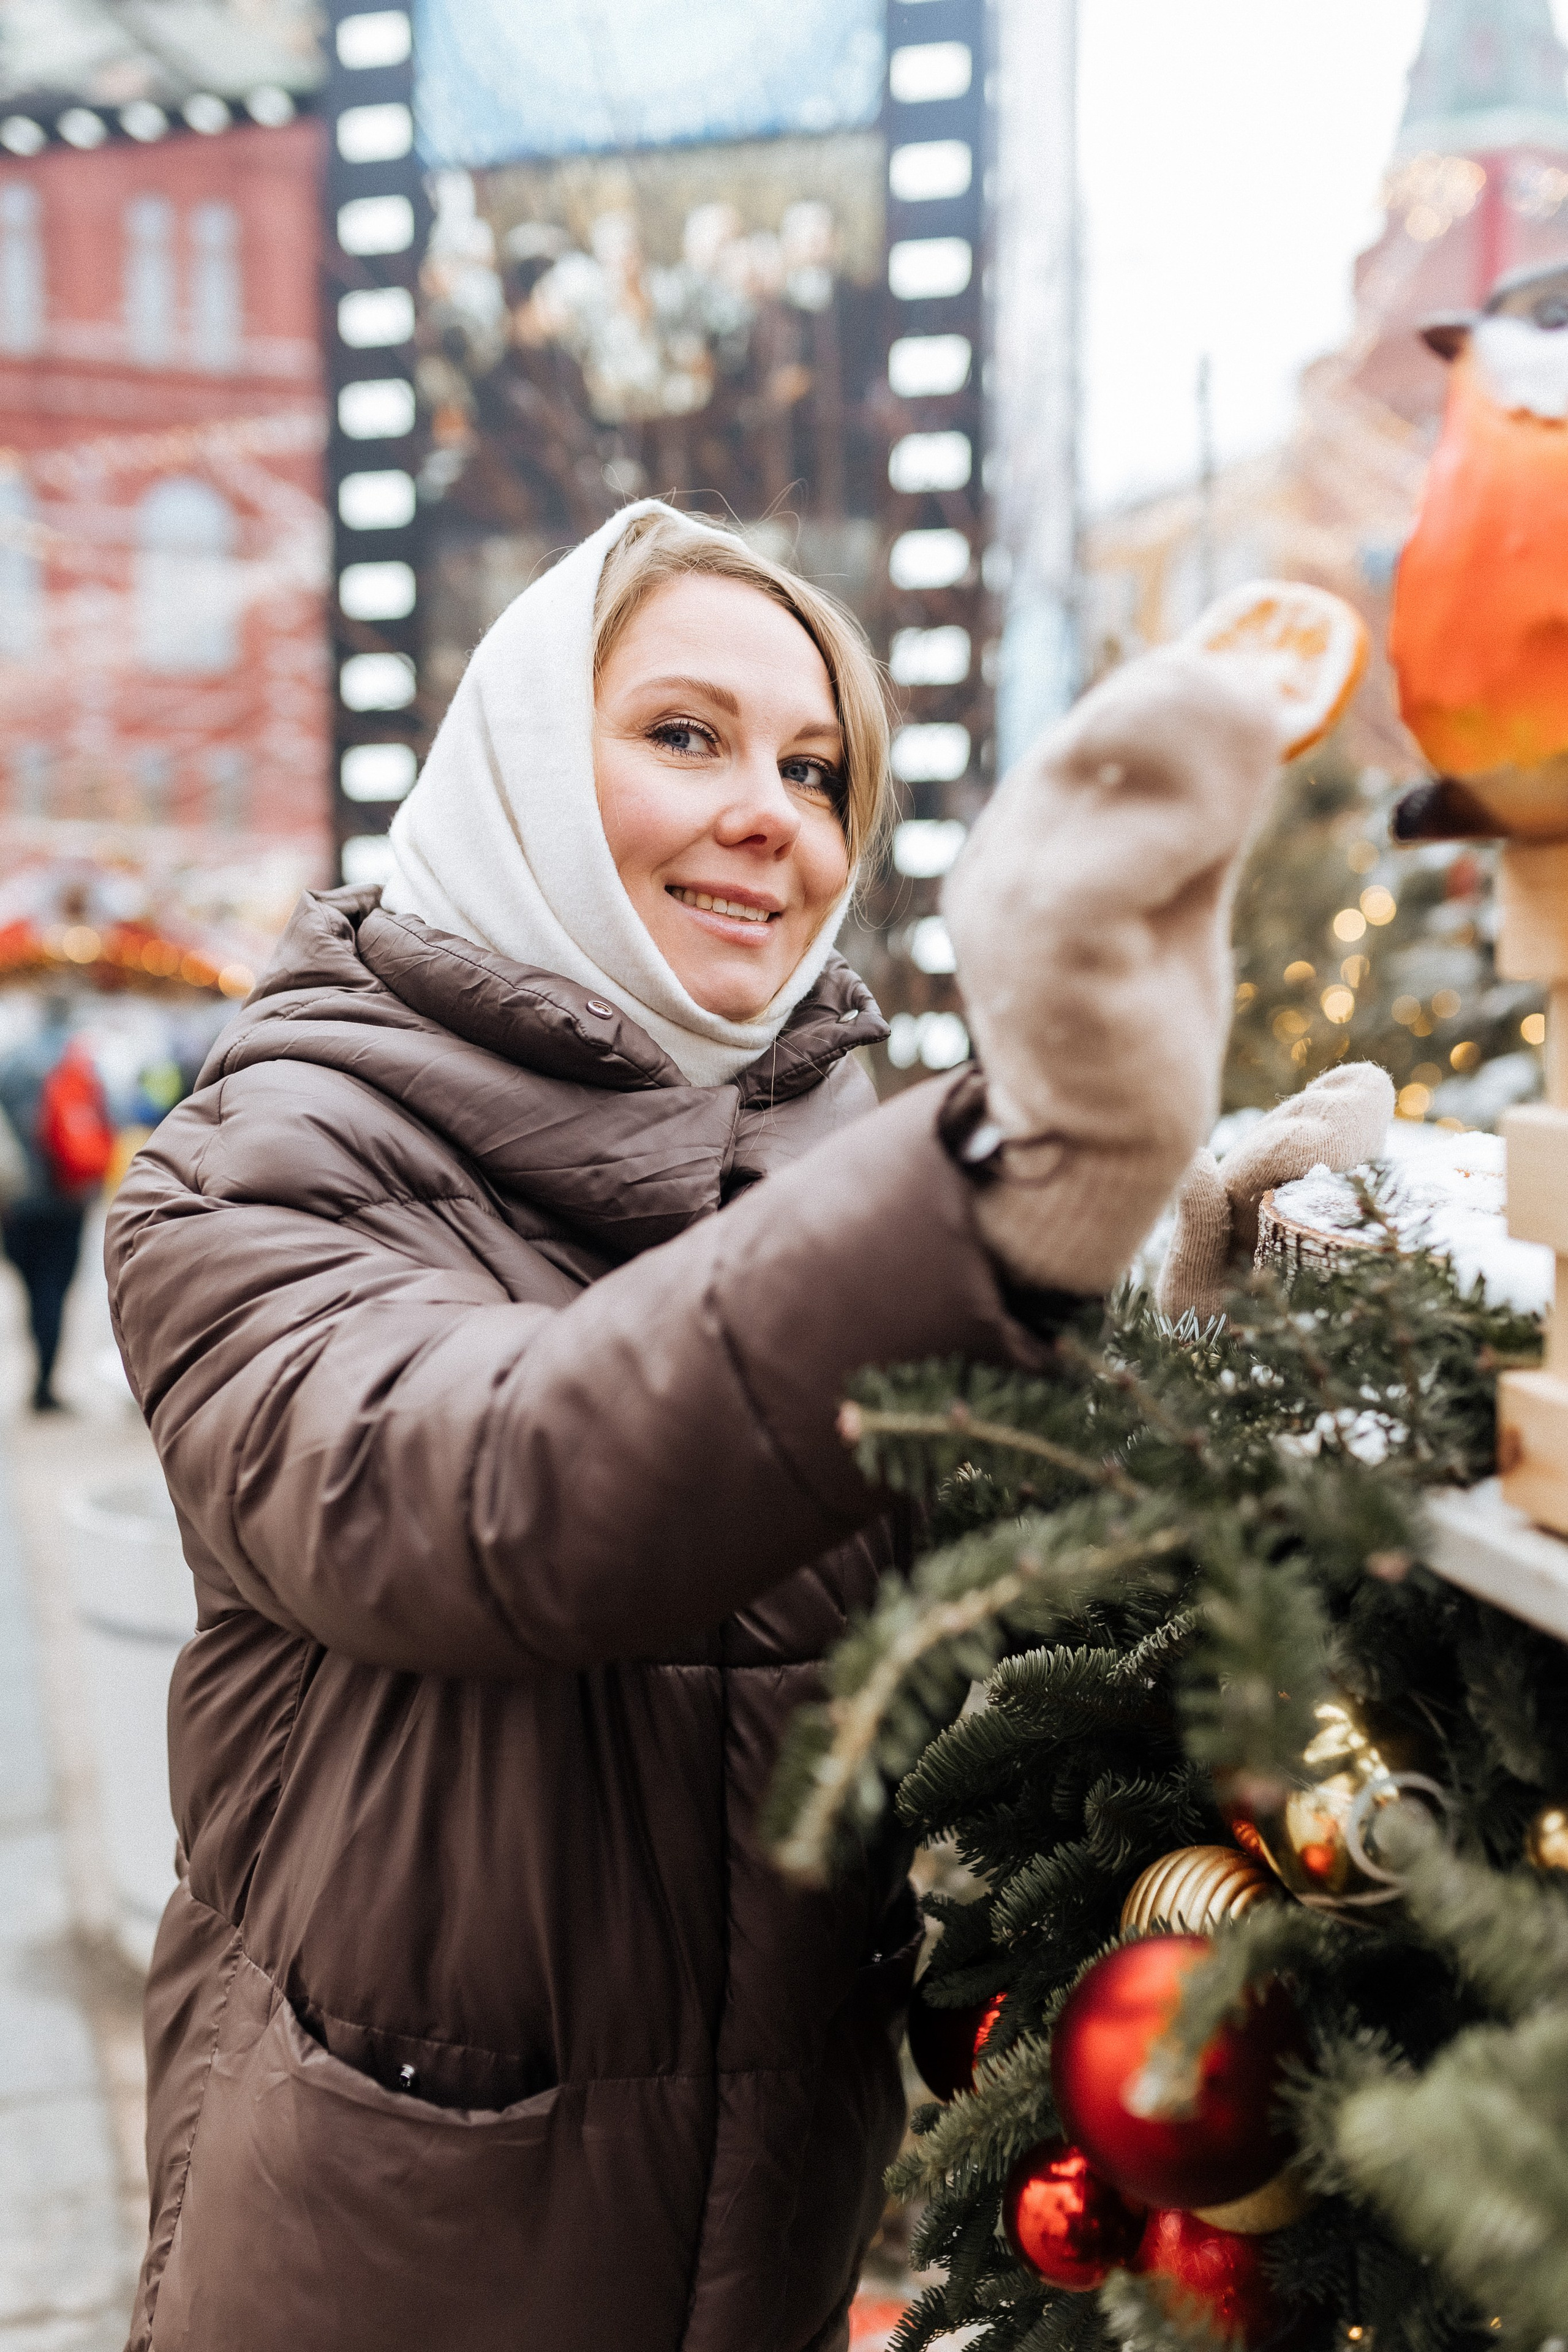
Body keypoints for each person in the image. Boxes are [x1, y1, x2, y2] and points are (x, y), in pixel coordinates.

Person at [105, 503, 1302, 2352]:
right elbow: (484, 1497)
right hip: (385, 2259)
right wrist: (996, 1188)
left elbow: (1009, 1620)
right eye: (685, 734)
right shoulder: (259, 1161)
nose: (775, 813)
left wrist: (1168, 1316)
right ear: (515, 768)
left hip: (774, 2257)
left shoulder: (838, 1168)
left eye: (817, 767)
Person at [0, 995, 108, 1412]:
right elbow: (105, 1121)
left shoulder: (11, 1062)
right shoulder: (80, 1063)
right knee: (56, 1289)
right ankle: (46, 1379)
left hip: (18, 1199)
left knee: (31, 1288)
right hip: (67, 1195)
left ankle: (40, 1373)